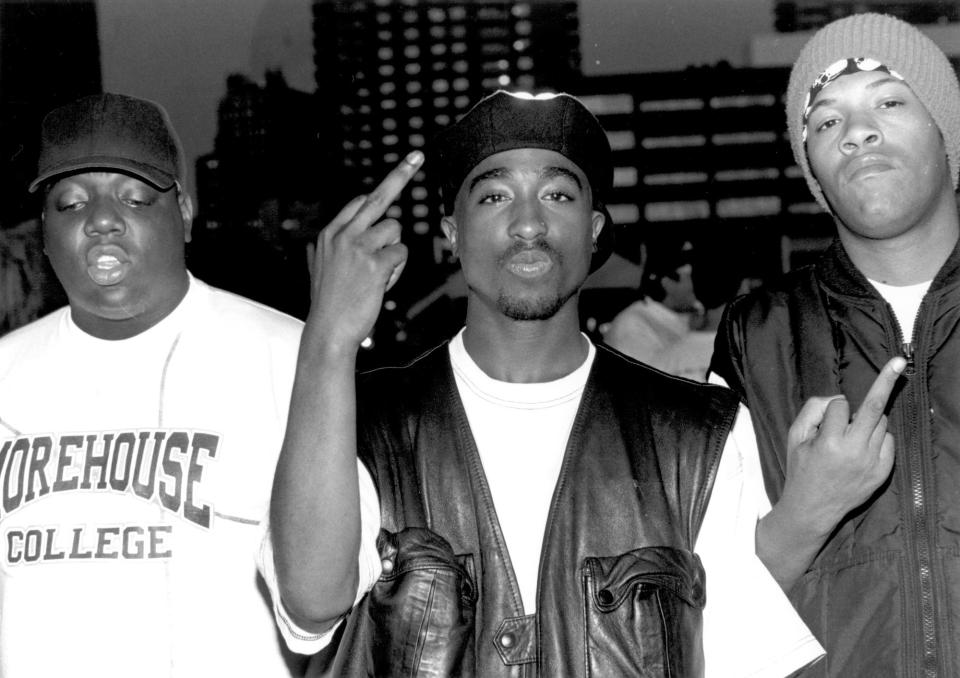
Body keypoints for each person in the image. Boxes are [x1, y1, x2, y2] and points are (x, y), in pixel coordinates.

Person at [257, 89, 890, 676]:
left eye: (558, 196)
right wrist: (327, 341)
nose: (529, 223)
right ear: (453, 235)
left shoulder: (700, 433)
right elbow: (312, 601)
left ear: (593, 233)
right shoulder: (364, 421)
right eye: (495, 196)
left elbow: (728, 651)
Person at [0, 93, 305, 677]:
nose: (102, 219)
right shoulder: (6, 375)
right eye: (69, 203)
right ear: (42, 232)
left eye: (135, 196)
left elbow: (326, 602)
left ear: (185, 213)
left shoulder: (287, 355)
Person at [710, 13, 960, 677]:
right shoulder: (754, 336)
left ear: (947, 135)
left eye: (889, 100)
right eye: (825, 121)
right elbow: (698, 613)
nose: (857, 132)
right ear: (814, 171)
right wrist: (806, 511)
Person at [605, 233, 746, 380]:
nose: (699, 282)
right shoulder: (632, 326)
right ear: (667, 282)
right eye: (691, 276)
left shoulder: (694, 317)